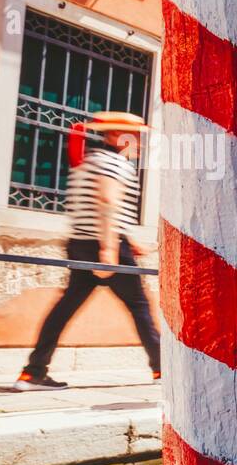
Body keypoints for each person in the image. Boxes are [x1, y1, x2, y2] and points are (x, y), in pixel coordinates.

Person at [14, 111, 161, 391]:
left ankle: (33, 372)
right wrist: (109, 249)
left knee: (65, 307)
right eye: (137, 136)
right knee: (139, 307)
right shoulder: (115, 164)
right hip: (105, 245)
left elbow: (97, 206)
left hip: (81, 243)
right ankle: (162, 369)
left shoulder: (89, 161)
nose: (141, 142)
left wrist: (128, 237)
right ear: (117, 135)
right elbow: (107, 201)